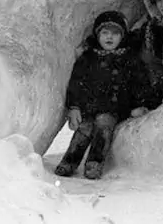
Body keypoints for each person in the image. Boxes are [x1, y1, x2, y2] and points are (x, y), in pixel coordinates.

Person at [56, 11, 155, 180]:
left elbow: (140, 84)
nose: (110, 38)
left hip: (115, 108)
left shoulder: (129, 59)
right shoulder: (88, 58)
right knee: (84, 128)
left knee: (103, 125)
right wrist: (74, 107)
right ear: (97, 35)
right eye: (105, 33)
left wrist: (139, 105)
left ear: (122, 36)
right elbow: (76, 84)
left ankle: (94, 163)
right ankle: (69, 162)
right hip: (90, 108)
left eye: (115, 33)